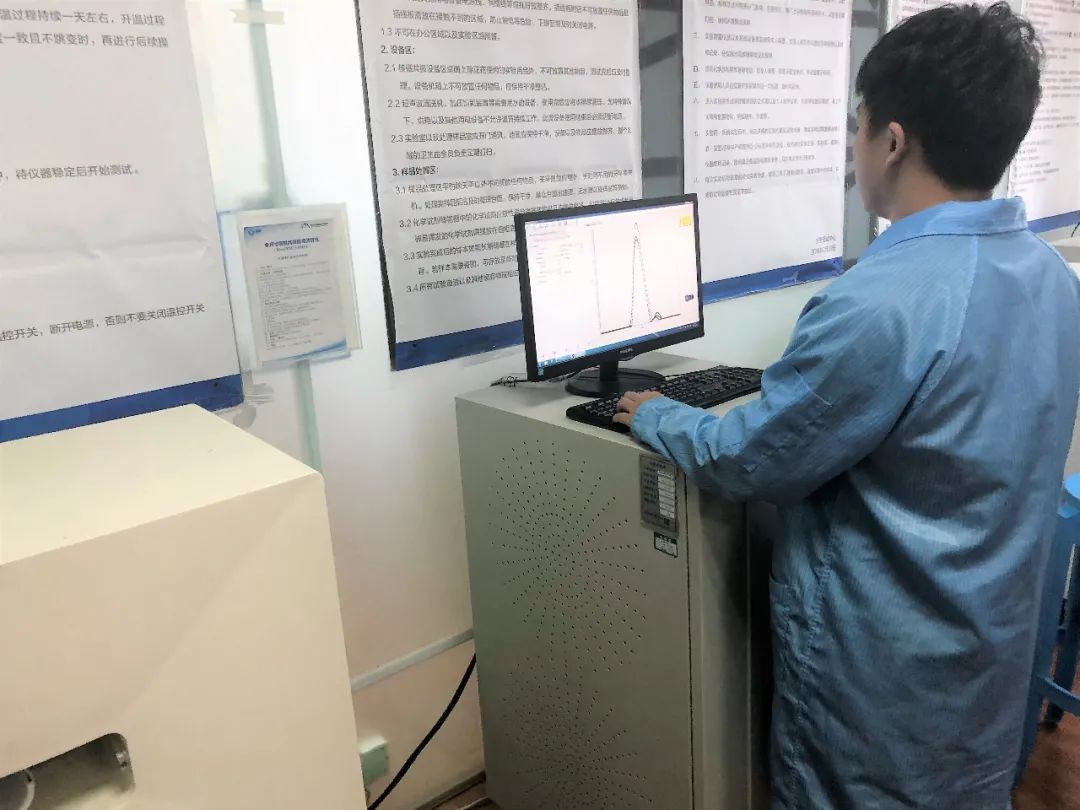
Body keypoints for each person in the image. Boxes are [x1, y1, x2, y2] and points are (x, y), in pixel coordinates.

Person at [615, 4, 1080, 808]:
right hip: (988, 647)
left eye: (856, 124)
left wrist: (657, 414)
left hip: (881, 676)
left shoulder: (878, 303)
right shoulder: (1051, 278)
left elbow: (752, 459)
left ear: (891, 141)